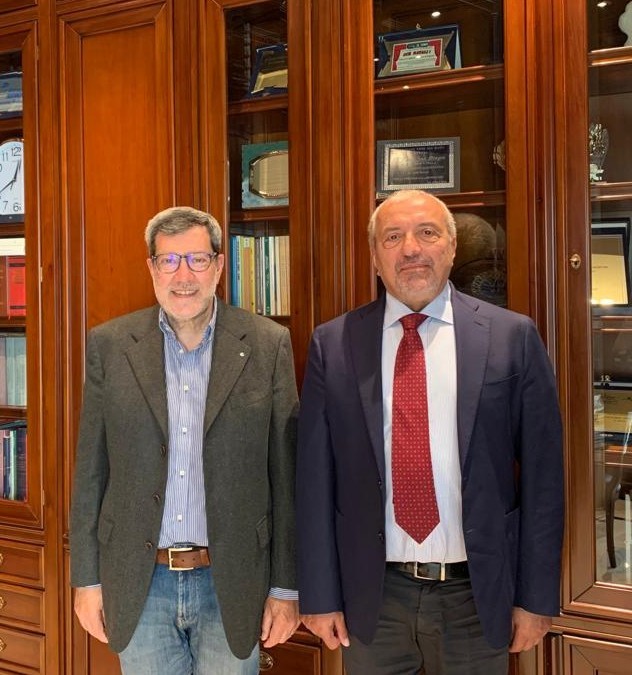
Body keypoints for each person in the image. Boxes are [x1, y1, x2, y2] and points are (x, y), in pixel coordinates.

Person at [296, 189, 564, 675]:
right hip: (372, 597)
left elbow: (544, 480)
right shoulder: (333, 343)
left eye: (427, 233)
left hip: (476, 595)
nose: (411, 249)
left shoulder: (512, 336)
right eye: (392, 237)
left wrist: (536, 598)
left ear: (452, 247)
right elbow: (314, 479)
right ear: (375, 256)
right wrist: (319, 595)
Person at [70, 206, 300, 675]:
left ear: (218, 265)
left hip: (233, 580)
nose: (183, 276)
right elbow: (90, 471)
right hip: (139, 581)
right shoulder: (110, 345)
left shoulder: (267, 343)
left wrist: (285, 587)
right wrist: (87, 580)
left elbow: (286, 477)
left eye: (197, 259)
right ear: (152, 268)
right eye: (169, 261)